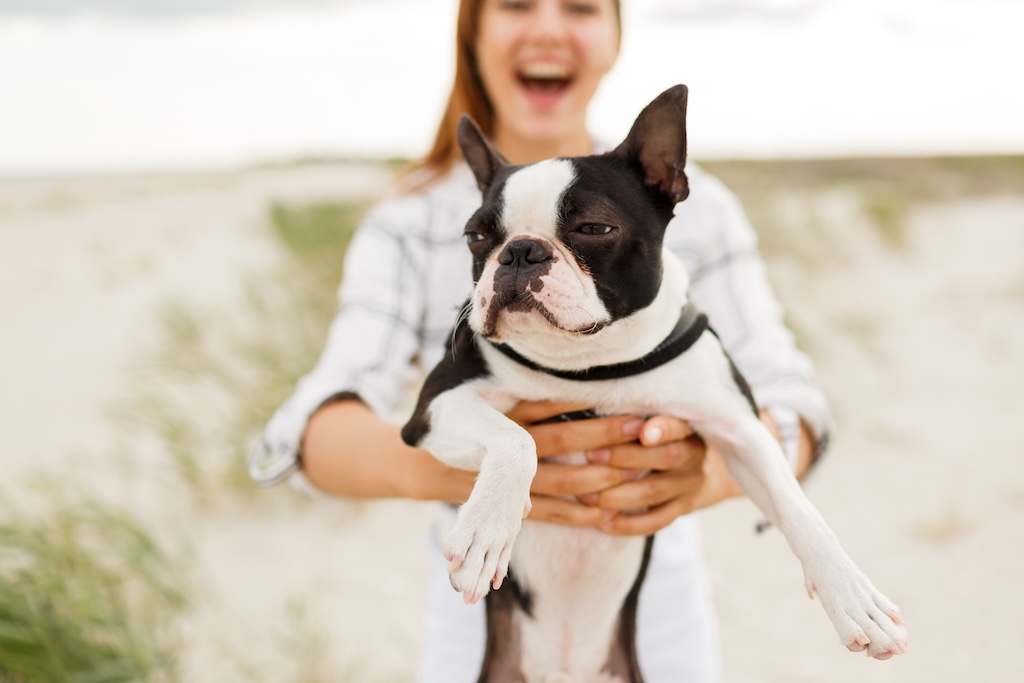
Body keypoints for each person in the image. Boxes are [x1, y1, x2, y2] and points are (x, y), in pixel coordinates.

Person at [249, 0, 831, 680]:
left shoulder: (682, 209)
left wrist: (703, 475)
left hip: (653, 611)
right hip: (485, 605)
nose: (549, 27)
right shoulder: (408, 221)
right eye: (518, 3)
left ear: (616, 34)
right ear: (473, 31)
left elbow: (797, 404)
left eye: (581, 6)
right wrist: (466, 467)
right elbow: (301, 434)